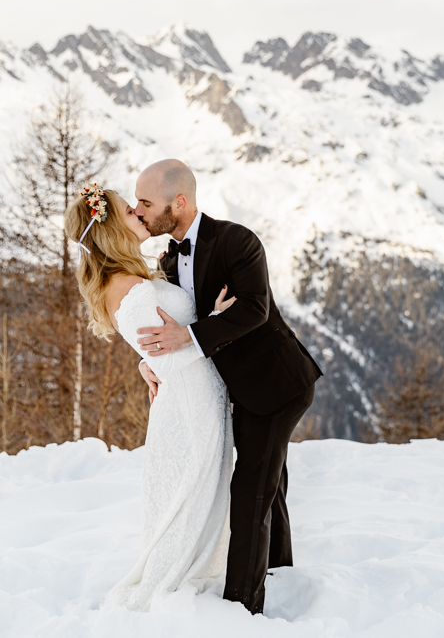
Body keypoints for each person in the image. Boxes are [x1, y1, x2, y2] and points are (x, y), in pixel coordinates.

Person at [132, 159, 323, 614]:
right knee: (269, 483)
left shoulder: (237, 241)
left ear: (178, 202)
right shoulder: (166, 259)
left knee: (251, 489)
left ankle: (243, 609)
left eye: (145, 202)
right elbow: (171, 322)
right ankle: (281, 570)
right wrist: (149, 361)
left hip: (276, 386)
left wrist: (194, 335)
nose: (138, 211)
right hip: (234, 390)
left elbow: (254, 308)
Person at [63, 183, 237, 611]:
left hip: (200, 396)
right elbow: (168, 354)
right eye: (129, 212)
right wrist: (215, 321)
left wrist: (150, 361)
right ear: (108, 230)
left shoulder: (131, 275)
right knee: (191, 497)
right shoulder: (123, 285)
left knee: (207, 494)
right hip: (189, 405)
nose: (139, 215)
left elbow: (157, 348)